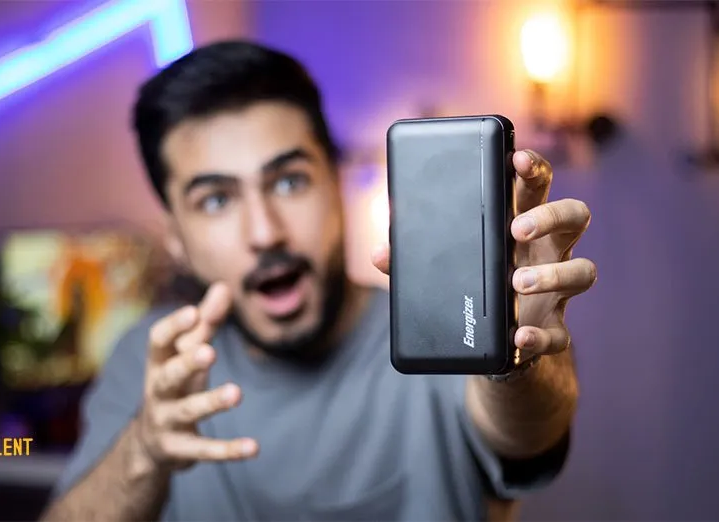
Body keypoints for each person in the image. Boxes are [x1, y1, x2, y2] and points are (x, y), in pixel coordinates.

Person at [40, 40, 597, 522]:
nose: (265, 232)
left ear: (335, 180)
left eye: (288, 182)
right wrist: (144, 448)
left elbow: (530, 434)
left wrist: (513, 358)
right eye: (215, 200)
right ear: (176, 238)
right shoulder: (151, 360)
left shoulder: (442, 332)